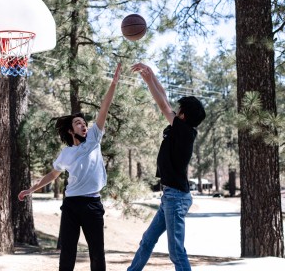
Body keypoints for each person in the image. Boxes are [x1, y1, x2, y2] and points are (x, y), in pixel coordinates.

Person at [18, 63, 122, 271]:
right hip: (71, 205)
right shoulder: (66, 154)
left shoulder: (94, 138)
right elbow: (52, 174)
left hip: (92, 204)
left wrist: (114, 83)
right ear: (70, 130)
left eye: (84, 122)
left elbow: (104, 108)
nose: (83, 125)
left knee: (96, 252)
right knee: (67, 251)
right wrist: (31, 189)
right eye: (78, 123)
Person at [127, 63, 206, 271]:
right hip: (170, 196)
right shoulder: (182, 127)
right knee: (147, 240)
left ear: (184, 115)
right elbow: (164, 98)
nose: (176, 109)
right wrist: (152, 75)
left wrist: (147, 81)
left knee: (176, 251)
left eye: (179, 109)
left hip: (176, 198)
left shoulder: (184, 131)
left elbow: (162, 105)